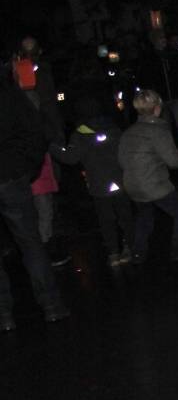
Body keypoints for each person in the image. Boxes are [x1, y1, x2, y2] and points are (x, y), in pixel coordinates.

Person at [1, 59, 71, 331]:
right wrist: (25, 169)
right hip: (11, 176)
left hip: (12, 173)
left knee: (30, 243)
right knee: (30, 242)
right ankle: (51, 305)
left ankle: (4, 315)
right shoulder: (9, 95)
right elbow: (33, 132)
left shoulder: (9, 94)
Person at [119, 90, 178, 263]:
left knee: (145, 215)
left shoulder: (129, 132)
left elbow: (121, 160)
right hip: (151, 184)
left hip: (132, 184)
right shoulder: (158, 130)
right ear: (157, 108)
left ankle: (138, 252)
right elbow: (174, 161)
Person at [49, 97, 134, 266]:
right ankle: (130, 247)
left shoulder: (80, 134)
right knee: (125, 214)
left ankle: (113, 253)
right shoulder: (114, 129)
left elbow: (70, 157)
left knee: (106, 218)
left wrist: (51, 146)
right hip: (120, 180)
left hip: (98, 184)